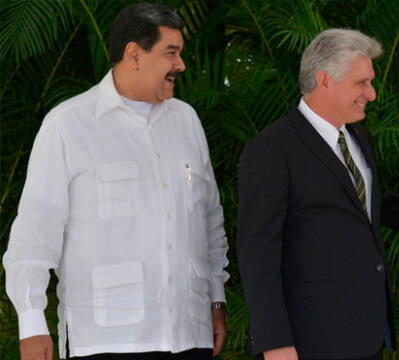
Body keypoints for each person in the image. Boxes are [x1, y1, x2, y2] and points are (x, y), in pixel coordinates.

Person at [3, 3, 229, 359]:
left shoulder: (186, 121)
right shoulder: (68, 125)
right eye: (171, 53)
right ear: (134, 54)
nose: (180, 65)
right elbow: (34, 234)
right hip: (107, 341)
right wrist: (31, 325)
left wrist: (216, 300)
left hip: (189, 336)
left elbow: (209, 222)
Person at [237, 29, 399, 360]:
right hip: (307, 341)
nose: (371, 94)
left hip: (367, 334)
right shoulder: (272, 148)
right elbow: (257, 251)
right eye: (362, 83)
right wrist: (274, 342)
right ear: (325, 80)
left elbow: (370, 203)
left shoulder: (360, 136)